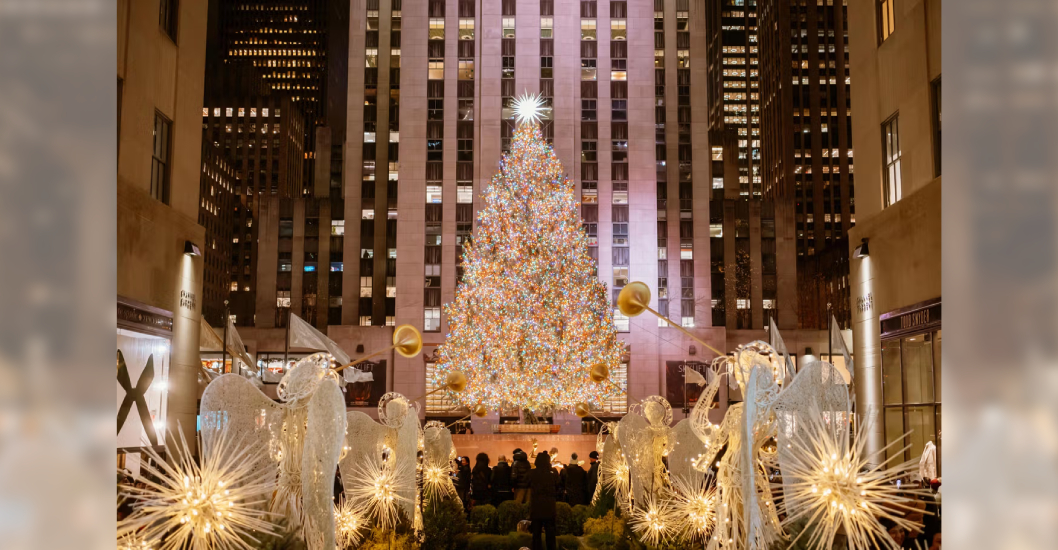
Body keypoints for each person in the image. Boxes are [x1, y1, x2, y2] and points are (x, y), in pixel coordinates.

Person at [529, 452, 557, 550]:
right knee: (550, 534)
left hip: (536, 507)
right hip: (549, 508)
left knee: (536, 535)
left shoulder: (532, 473)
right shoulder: (553, 474)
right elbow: (558, 486)